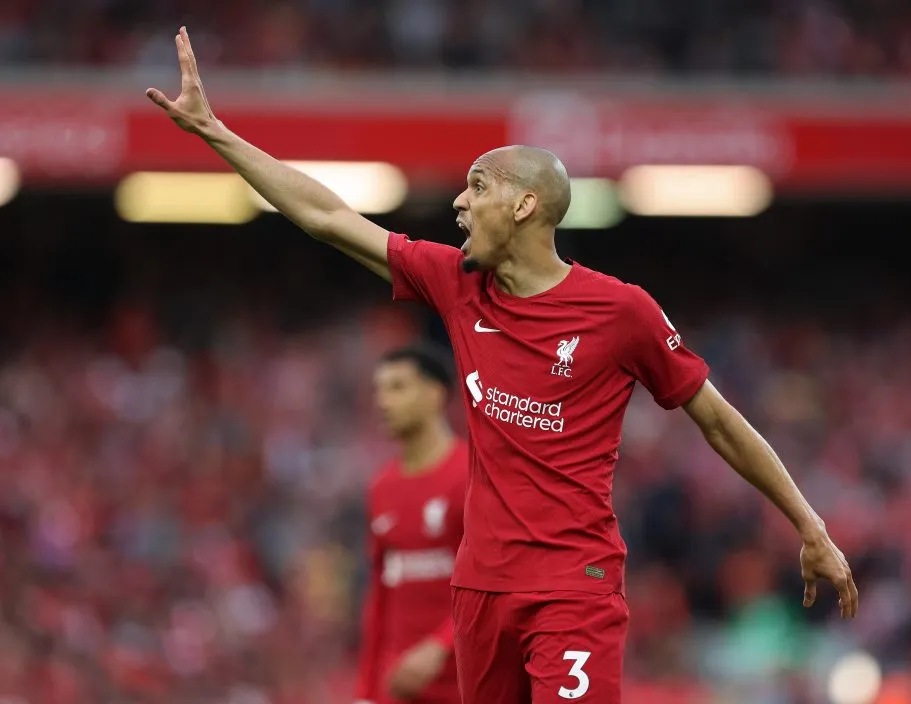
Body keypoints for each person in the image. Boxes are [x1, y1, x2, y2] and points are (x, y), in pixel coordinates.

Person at [147, 27, 859, 704]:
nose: (459, 202)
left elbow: (719, 422)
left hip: (572, 588)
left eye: (477, 186)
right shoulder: (456, 284)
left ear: (524, 205)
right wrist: (215, 132)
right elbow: (329, 217)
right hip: (480, 590)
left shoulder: (621, 311)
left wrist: (808, 524)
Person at [354, 344, 467, 704]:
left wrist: (440, 645)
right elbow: (380, 595)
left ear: (435, 394)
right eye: (379, 390)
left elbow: (500, 584)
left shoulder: (472, 476)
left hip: (466, 685)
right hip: (401, 689)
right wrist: (366, 693)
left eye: (397, 387)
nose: (382, 402)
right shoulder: (381, 487)